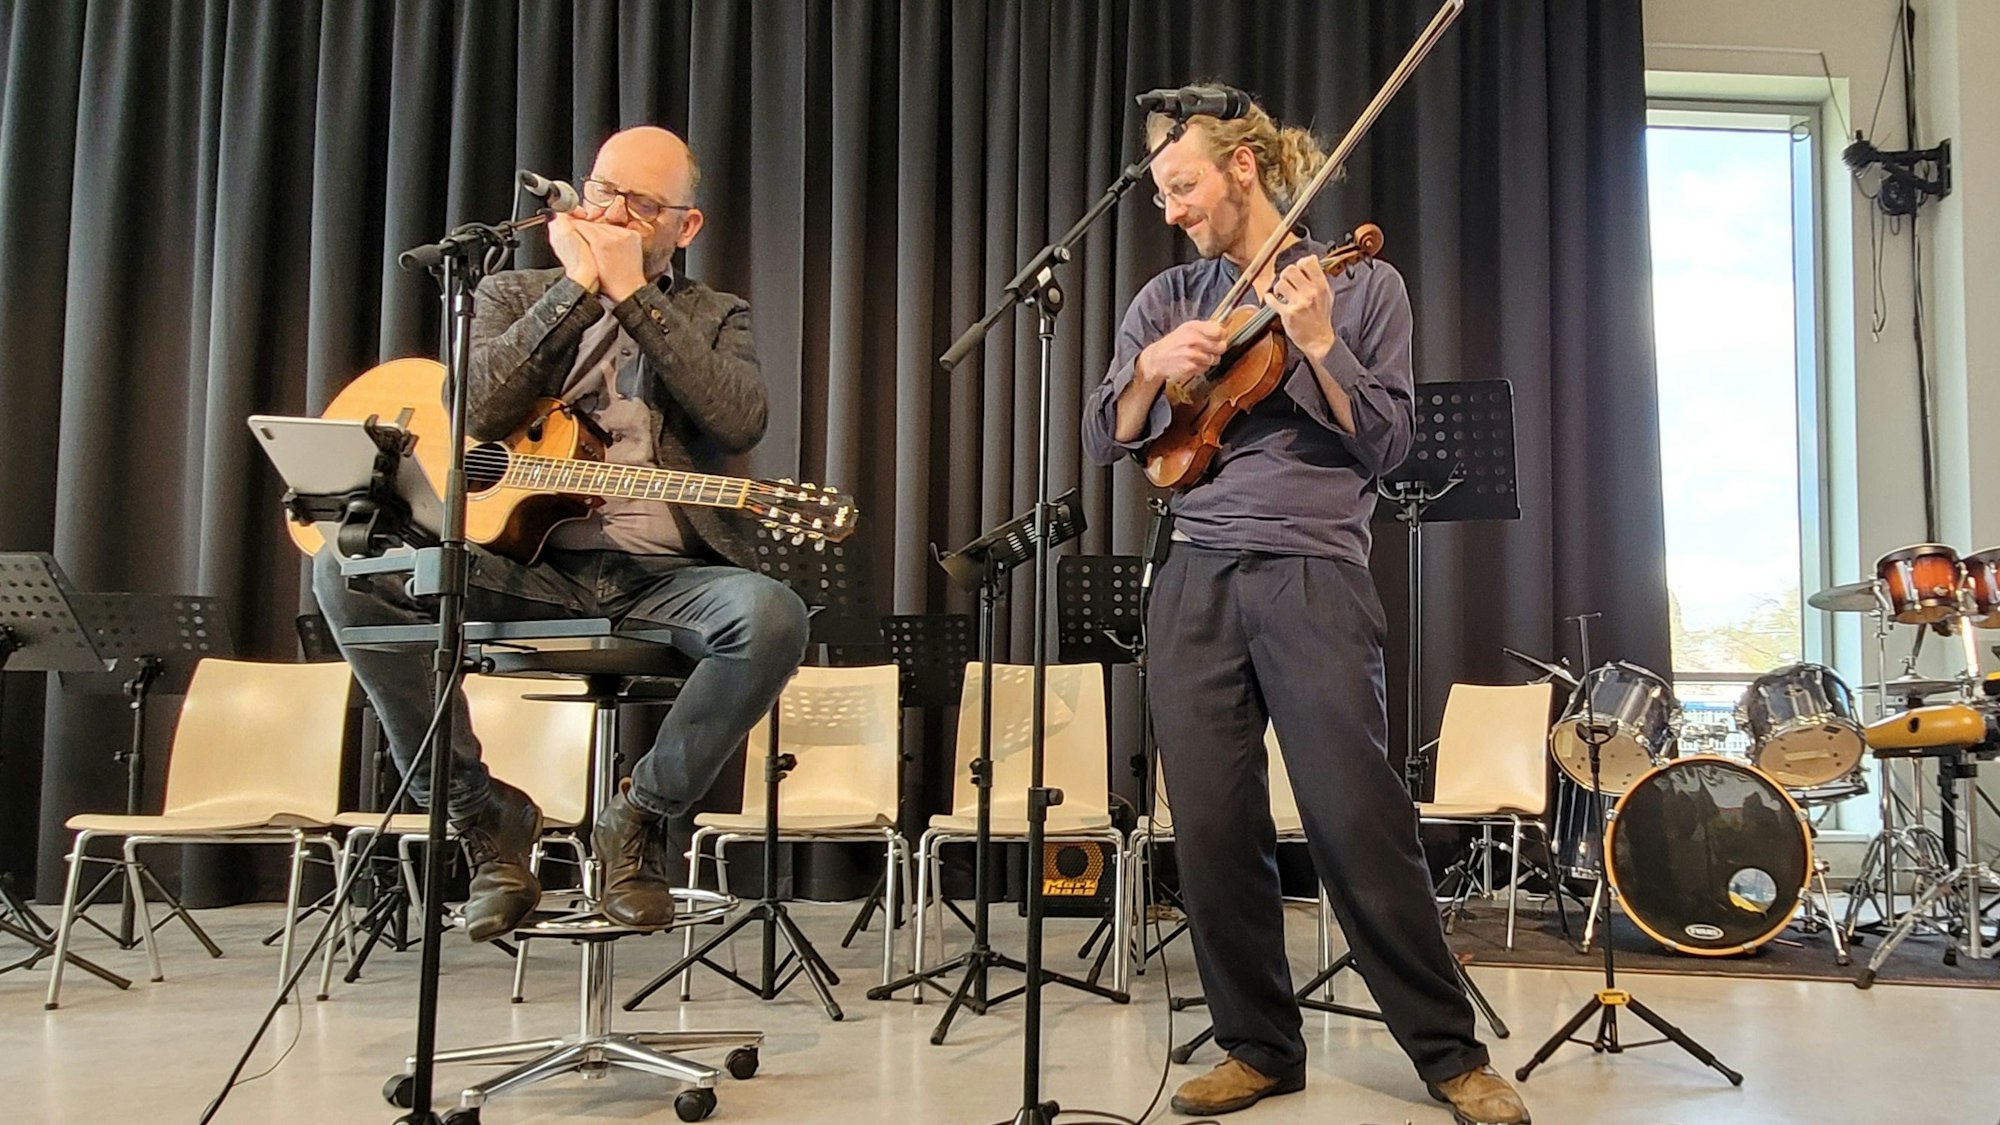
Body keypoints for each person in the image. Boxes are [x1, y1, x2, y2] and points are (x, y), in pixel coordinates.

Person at [1081, 96, 1530, 1124]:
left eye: (1182, 186)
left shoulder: (1363, 284)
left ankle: (1448, 1054)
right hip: (1192, 571)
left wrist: (1320, 345)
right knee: (1207, 825)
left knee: (1355, 818)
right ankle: (1256, 1046)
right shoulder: (1168, 297)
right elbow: (1111, 438)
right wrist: (1148, 375)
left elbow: (1387, 445)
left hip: (1311, 573)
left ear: (1242, 169)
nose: (1171, 210)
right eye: (1158, 193)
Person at [314, 126, 809, 942]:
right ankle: (480, 812)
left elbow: (739, 415)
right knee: (346, 570)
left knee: (771, 616)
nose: (613, 213)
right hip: (529, 568)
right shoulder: (516, 295)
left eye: (642, 204)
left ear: (684, 227)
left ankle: (641, 816)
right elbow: (473, 411)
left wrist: (634, 296)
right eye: (605, 191)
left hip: (669, 579)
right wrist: (578, 287)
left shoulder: (716, 314)